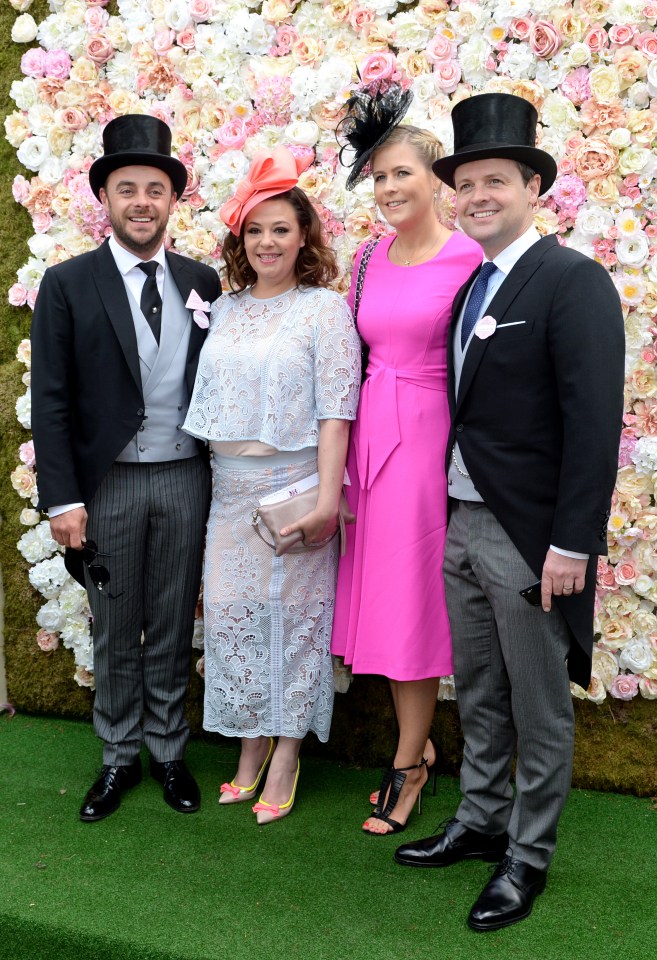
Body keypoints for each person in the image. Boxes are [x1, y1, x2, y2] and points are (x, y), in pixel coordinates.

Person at [394, 93, 625, 930]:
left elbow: (595, 425)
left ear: (533, 187)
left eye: (497, 179)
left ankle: (526, 858)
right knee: (480, 692)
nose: (478, 194)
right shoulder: (473, 287)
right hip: (459, 523)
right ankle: (480, 820)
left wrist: (571, 543)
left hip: (530, 539)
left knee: (537, 702)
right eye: (466, 182)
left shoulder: (572, 280)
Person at [30, 115, 220, 822]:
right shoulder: (69, 283)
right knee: (114, 625)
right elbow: (48, 400)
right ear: (104, 200)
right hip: (106, 485)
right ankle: (116, 758)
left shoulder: (202, 281)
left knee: (172, 620)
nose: (141, 201)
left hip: (185, 478)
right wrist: (63, 500)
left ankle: (168, 753)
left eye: (154, 189)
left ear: (173, 200)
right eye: (127, 189)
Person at [183, 146, 361, 824]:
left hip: (294, 488)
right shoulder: (224, 311)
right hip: (229, 493)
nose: (266, 242)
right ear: (240, 238)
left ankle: (286, 751)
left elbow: (335, 411)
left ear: (303, 237)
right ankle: (249, 746)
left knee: (293, 623)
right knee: (232, 623)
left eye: (280, 229)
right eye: (254, 229)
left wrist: (324, 500)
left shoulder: (323, 310)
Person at [332, 85, 482, 835]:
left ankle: (410, 760)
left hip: (429, 446)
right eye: (379, 176)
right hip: (369, 442)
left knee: (413, 605)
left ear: (438, 182)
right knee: (383, 603)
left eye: (403, 174)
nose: (389, 188)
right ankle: (411, 752)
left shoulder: (469, 260)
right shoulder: (365, 258)